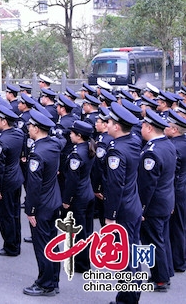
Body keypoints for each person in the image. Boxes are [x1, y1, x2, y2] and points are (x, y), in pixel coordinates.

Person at [104, 102, 143, 304]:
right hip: (133, 205)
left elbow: (115, 186)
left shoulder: (117, 151)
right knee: (133, 254)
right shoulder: (134, 140)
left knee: (125, 258)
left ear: (117, 126)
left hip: (124, 211)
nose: (106, 124)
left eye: (109, 122)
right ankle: (130, 296)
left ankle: (127, 300)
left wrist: (110, 217)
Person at [23, 109, 62, 297]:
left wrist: (30, 209)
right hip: (54, 201)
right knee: (53, 244)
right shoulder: (53, 145)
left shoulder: (37, 152)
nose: (28, 129)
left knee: (43, 246)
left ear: (37, 129)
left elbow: (34, 185)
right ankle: (53, 280)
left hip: (42, 205)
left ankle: (45, 284)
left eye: (30, 126)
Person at [138, 109, 176, 292]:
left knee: (154, 242)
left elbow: (147, 186)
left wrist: (141, 209)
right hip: (165, 200)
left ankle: (160, 279)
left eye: (143, 126)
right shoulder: (168, 145)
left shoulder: (151, 152)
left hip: (153, 205)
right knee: (162, 240)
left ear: (149, 127)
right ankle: (165, 273)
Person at [61, 120, 96, 273]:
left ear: (79, 136)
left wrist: (67, 200)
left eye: (72, 133)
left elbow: (72, 181)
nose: (70, 135)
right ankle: (85, 261)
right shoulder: (88, 148)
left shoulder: (77, 154)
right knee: (87, 230)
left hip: (78, 196)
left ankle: (81, 264)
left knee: (79, 231)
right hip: (87, 193)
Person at [0, 104, 25, 257]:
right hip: (16, 177)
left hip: (6, 182)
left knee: (6, 215)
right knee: (15, 213)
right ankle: (16, 242)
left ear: (4, 121)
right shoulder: (18, 133)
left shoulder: (1, 141)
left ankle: (10, 246)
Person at [166, 109, 186, 273]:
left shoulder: (175, 148)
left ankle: (178, 261)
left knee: (176, 227)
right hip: (183, 188)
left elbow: (173, 175)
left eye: (168, 126)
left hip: (178, 191)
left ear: (175, 130)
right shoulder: (183, 143)